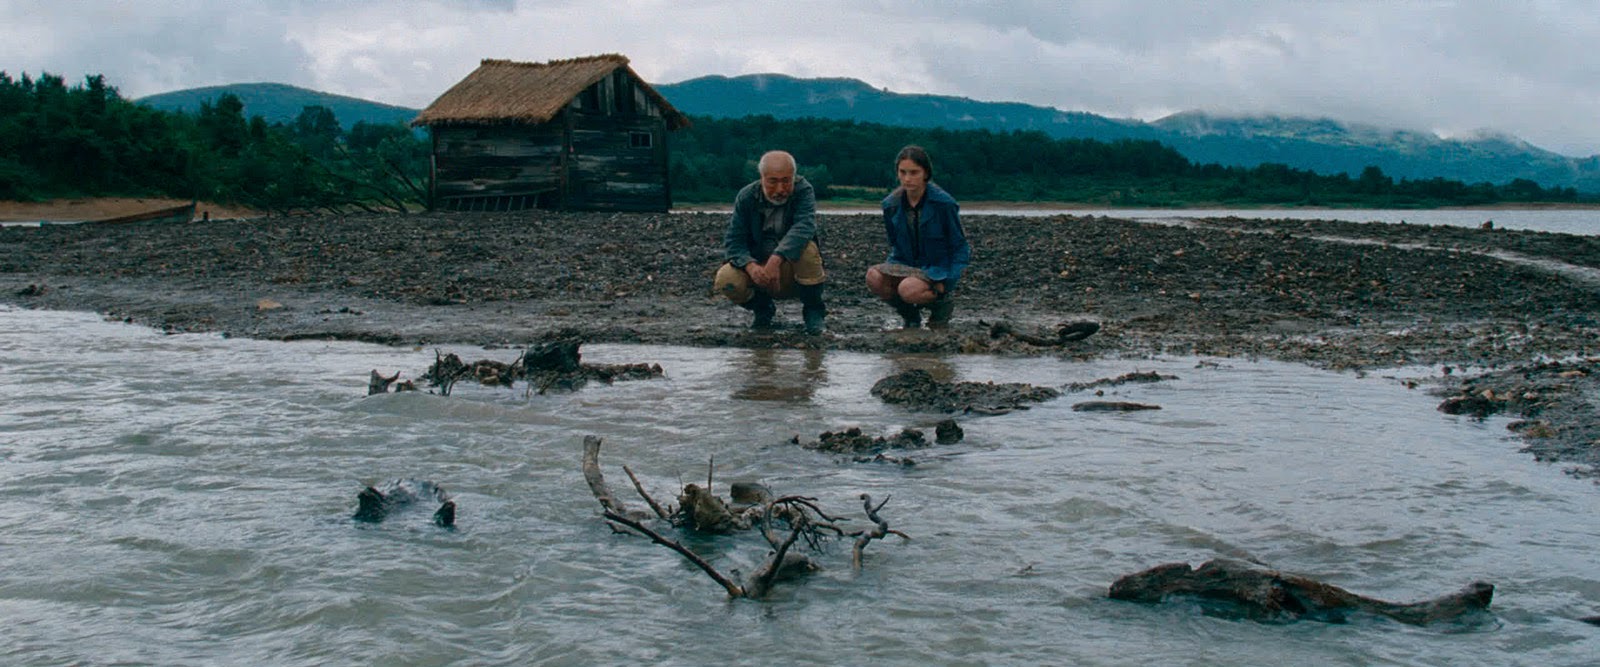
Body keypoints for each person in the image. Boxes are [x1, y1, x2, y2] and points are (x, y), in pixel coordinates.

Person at [713, 150, 828, 334]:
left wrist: (776, 259)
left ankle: (813, 310)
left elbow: (804, 227)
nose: (781, 189)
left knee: (808, 249)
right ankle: (762, 309)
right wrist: (750, 266)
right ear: (762, 178)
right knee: (726, 279)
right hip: (758, 268)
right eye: (773, 181)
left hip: (791, 269)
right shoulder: (746, 197)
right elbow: (734, 242)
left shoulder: (803, 190)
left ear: (794, 177)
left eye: (786, 181)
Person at [866, 145, 971, 329]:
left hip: (936, 268)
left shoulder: (944, 204)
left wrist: (947, 282)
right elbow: (895, 243)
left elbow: (960, 246)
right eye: (903, 172)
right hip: (904, 263)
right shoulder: (890, 205)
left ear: (926, 173)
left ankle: (941, 306)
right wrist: (891, 272)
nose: (907, 179)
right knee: (873, 277)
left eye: (914, 172)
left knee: (908, 289)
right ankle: (910, 316)